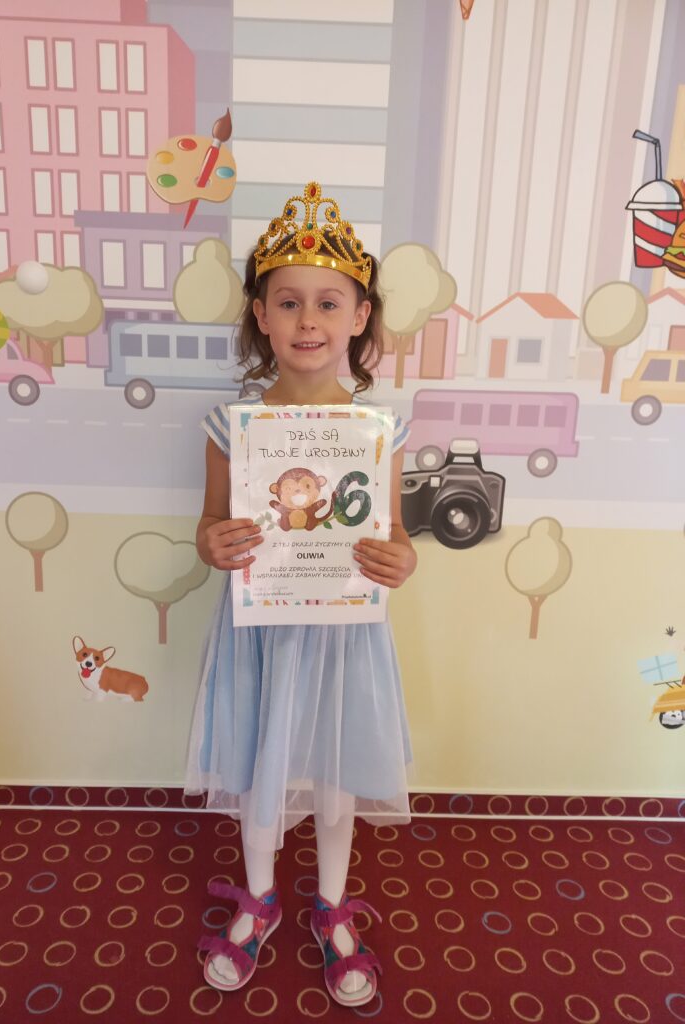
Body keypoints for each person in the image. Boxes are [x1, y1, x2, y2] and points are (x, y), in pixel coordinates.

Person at [185, 182, 417, 1009]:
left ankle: (330, 902)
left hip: (344, 630)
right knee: (261, 759)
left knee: (337, 770)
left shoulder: (380, 431)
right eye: (288, 302)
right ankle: (259, 898)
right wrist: (213, 543)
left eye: (328, 302)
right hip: (261, 628)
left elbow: (395, 534)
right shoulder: (231, 428)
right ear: (261, 315)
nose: (308, 320)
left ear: (360, 317)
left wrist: (401, 559)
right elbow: (210, 526)